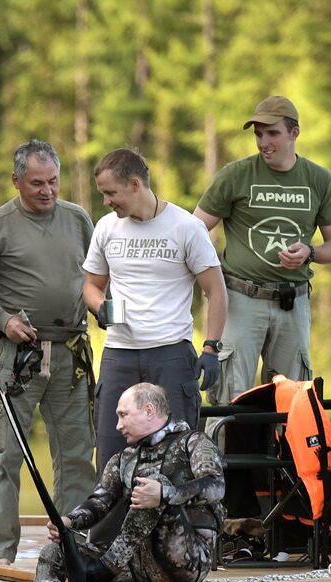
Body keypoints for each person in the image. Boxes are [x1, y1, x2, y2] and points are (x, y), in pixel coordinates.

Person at [0, 383, 225, 582]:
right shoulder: (123, 458)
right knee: (55, 551)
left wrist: (166, 494)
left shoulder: (194, 442)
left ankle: (105, 568)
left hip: (186, 564)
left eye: (123, 415)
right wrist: (69, 521)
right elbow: (99, 501)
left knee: (153, 483)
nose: (117, 425)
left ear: (149, 410)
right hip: (136, 564)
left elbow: (216, 486)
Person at [0, 140, 98, 563]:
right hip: (18, 359)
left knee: (76, 455)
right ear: (16, 180)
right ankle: (1, 555)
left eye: (53, 181)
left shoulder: (78, 220)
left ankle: (74, 548)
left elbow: (98, 275)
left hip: (72, 353)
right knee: (6, 456)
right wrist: (3, 320)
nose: (47, 190)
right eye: (37, 183)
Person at [193, 95, 331, 405]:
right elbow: (193, 230)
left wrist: (310, 252)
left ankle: (288, 455)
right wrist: (207, 280)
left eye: (272, 133)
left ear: (294, 133)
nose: (264, 142)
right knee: (231, 398)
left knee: (293, 400)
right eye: (258, 134)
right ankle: (224, 454)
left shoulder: (318, 180)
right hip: (240, 300)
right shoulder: (235, 175)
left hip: (294, 302)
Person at [83, 148, 228, 469]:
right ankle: (107, 521)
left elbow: (215, 290)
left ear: (135, 184)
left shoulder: (187, 227)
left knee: (175, 456)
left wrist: (211, 348)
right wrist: (100, 308)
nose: (106, 201)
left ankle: (177, 520)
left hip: (171, 356)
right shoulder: (106, 228)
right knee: (110, 456)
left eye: (111, 193)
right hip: (119, 355)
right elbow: (92, 286)